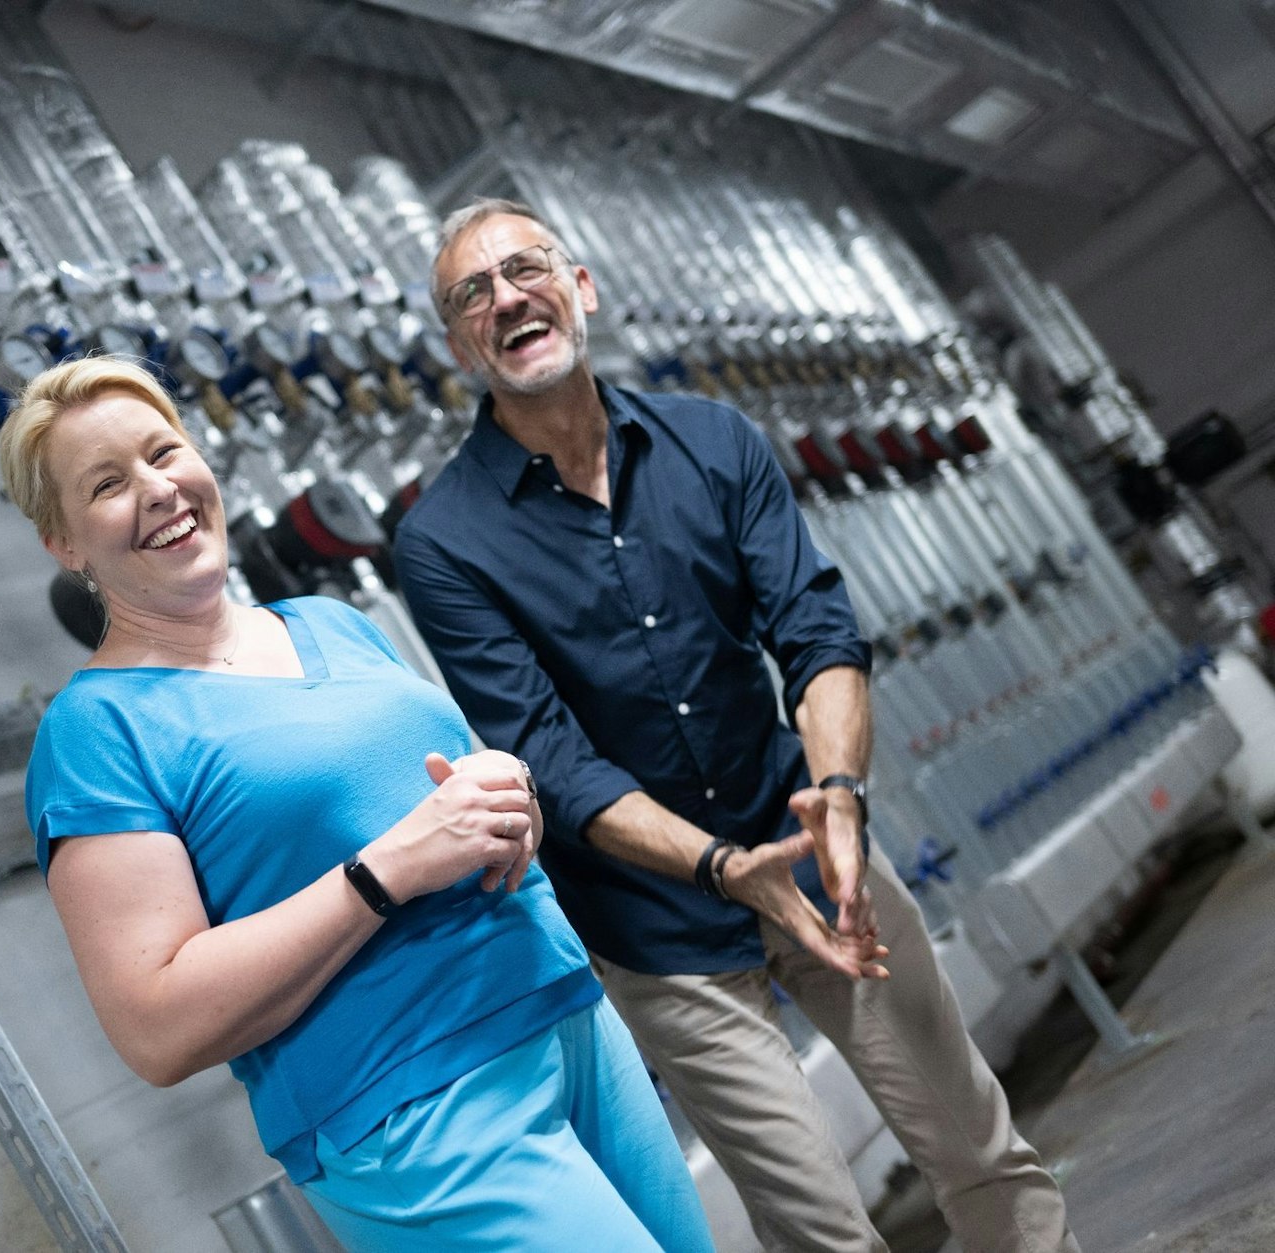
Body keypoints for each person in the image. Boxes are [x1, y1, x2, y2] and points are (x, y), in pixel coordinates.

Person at [392, 199, 1079, 1253]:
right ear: (457, 345)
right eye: (470, 293)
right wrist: (718, 866)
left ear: (579, 287)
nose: (505, 297)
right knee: (819, 1234)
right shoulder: (444, 539)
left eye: (525, 268)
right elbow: (549, 759)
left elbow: (814, 628)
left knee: (980, 1154)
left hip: (814, 850)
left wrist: (839, 797)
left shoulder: (710, 439)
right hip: (656, 921)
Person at [1, 355, 714, 1252]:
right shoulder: (97, 731)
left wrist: (509, 802)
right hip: (413, 1106)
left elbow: (436, 798)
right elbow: (157, 1024)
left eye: (163, 451)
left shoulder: (329, 622)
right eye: (108, 483)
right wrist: (385, 872)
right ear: (64, 543)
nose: (157, 489)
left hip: (566, 1013)